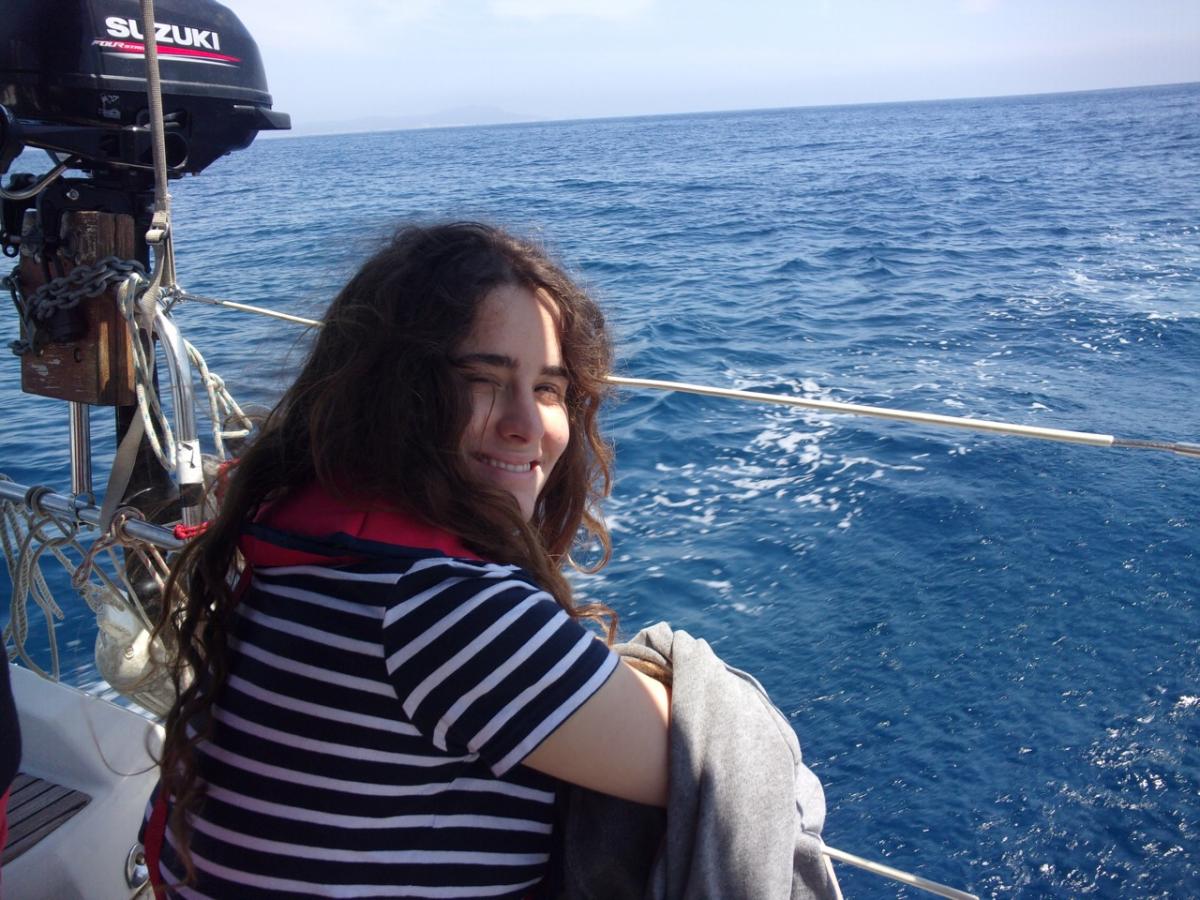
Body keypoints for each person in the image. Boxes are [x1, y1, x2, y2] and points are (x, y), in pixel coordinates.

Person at [142, 222, 670, 897]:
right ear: (392, 395)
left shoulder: (315, 554)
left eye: (548, 389)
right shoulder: (440, 607)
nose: (527, 425)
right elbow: (711, 766)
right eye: (482, 379)